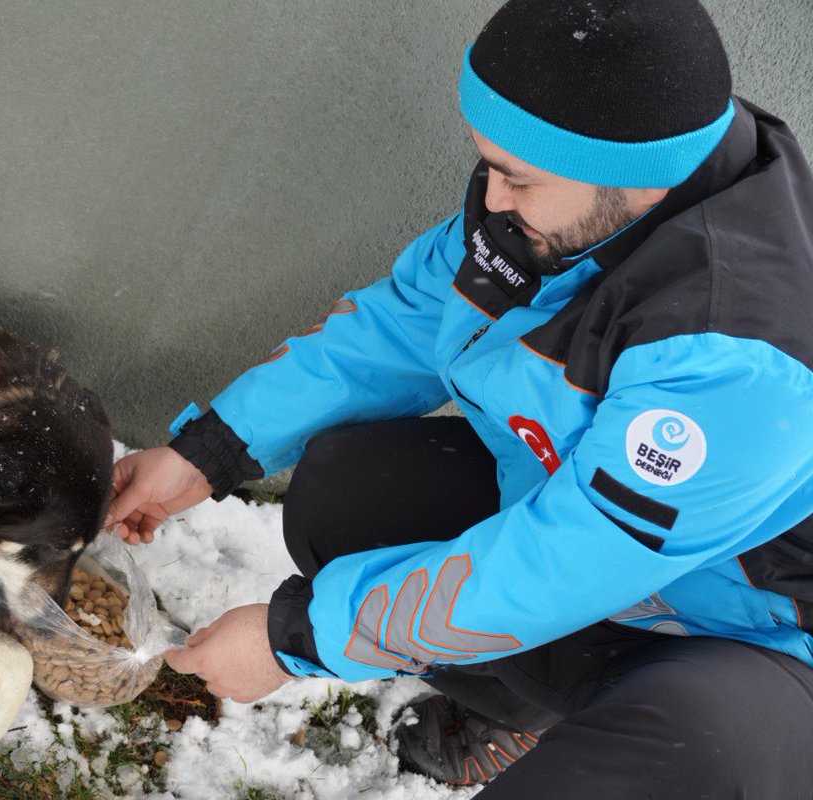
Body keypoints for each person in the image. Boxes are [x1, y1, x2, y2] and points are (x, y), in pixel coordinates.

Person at [105, 1, 813, 796]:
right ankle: (531, 709)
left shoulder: (737, 354)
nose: (492, 198)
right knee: (348, 493)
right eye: (489, 164)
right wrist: (207, 453)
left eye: (519, 176)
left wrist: (291, 638)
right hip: (612, 576)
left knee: (696, 754)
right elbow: (405, 321)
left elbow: (564, 563)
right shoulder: (602, 194)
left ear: (639, 176)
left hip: (760, 645)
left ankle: (607, 732)